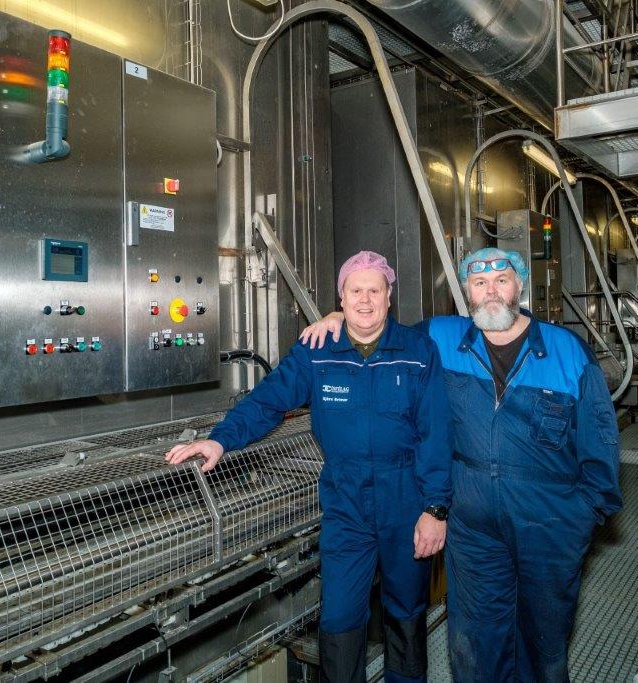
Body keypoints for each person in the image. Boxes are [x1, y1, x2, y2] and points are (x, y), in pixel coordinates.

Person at [299, 246, 622, 682]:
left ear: (520, 285)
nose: (491, 291)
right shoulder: (440, 338)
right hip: (473, 529)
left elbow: (601, 445)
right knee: (474, 644)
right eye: (479, 282)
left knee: (543, 643)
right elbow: (378, 331)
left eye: (501, 280)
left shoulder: (568, 351)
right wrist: (340, 319)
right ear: (466, 293)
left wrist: (579, 519)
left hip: (549, 524)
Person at [166, 251, 453, 683]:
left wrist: (435, 509)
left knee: (406, 610)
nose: (365, 300)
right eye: (355, 291)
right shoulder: (317, 350)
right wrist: (220, 439)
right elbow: (268, 401)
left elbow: (436, 433)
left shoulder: (417, 351)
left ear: (389, 297)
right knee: (339, 615)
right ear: (342, 298)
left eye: (375, 290)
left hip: (406, 499)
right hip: (346, 503)